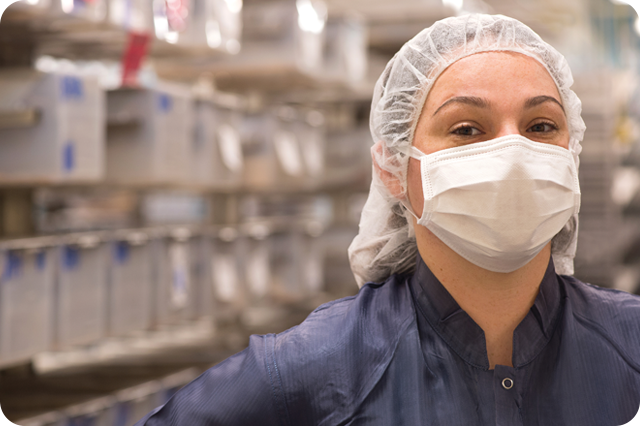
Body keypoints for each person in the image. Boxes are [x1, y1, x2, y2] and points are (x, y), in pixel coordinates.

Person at [135, 14, 640, 425]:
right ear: (394, 169)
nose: (512, 152)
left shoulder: (630, 348)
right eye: (466, 129)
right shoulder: (305, 373)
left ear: (571, 153)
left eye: (541, 126)